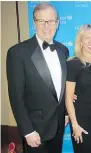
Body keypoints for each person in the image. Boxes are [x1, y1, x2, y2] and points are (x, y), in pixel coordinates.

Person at [6, 3, 69, 153]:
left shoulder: (63, 50)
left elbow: (61, 88)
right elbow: (16, 97)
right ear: (34, 23)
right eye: (41, 21)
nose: (47, 26)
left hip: (58, 126)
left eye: (51, 21)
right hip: (35, 130)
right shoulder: (17, 53)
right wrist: (27, 130)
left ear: (57, 23)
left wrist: (65, 113)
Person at [66, 24, 91, 153]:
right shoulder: (73, 64)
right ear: (81, 42)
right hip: (82, 119)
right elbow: (68, 98)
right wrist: (74, 125)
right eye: (86, 38)